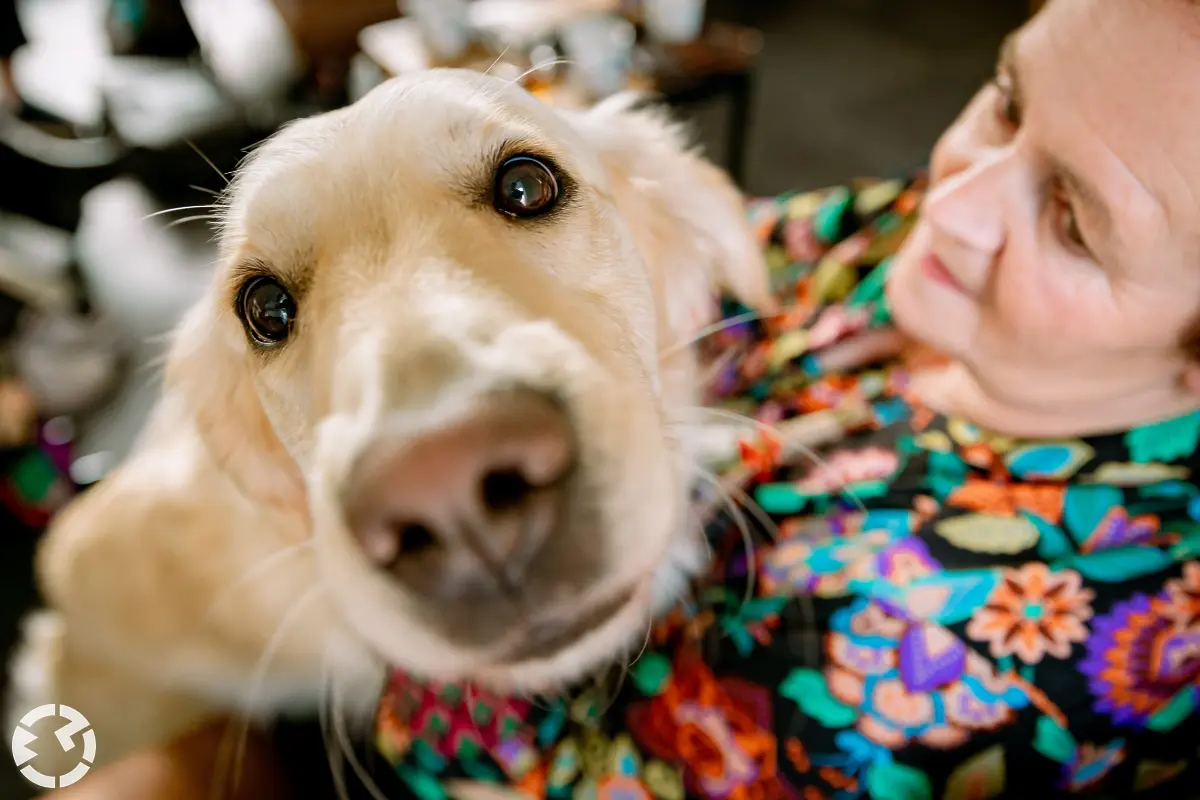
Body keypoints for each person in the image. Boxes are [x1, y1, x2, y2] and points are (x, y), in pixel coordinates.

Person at [32, 0, 1200, 796]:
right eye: (1004, 96)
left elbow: (464, 763)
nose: (951, 202)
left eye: (1074, 220)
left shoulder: (902, 683)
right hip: (152, 632)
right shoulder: (922, 243)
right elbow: (719, 248)